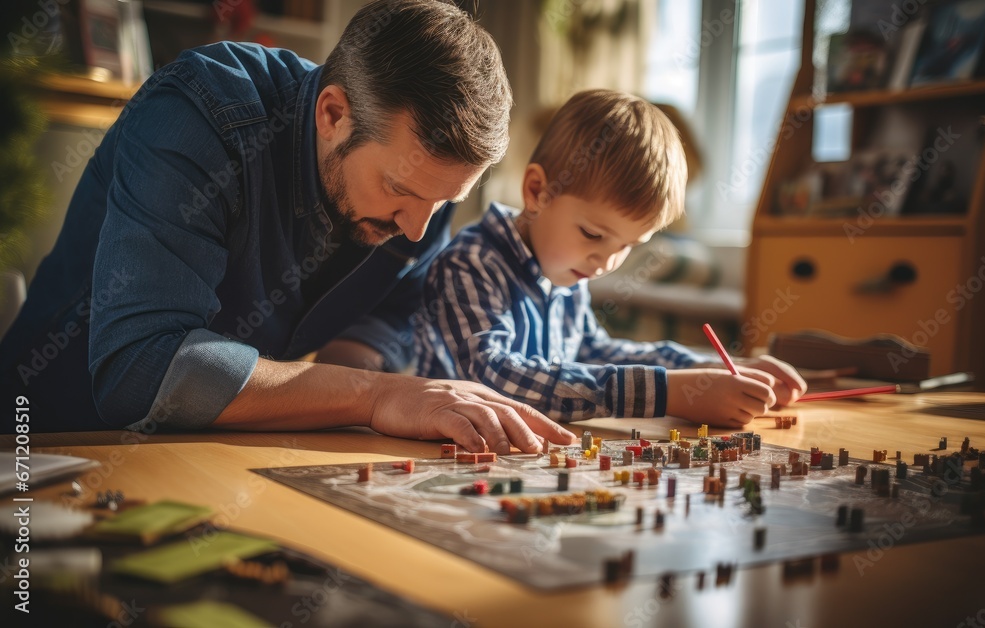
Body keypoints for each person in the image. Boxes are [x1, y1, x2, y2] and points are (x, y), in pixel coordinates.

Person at [0, 0, 574, 453]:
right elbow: (138, 369)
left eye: (445, 200)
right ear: (332, 114)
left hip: (213, 457)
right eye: (400, 192)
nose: (418, 229)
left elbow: (395, 305)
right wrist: (374, 397)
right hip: (45, 449)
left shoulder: (422, 184)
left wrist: (359, 370)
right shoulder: (202, 114)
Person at [414, 89, 807, 427]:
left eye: (627, 245)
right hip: (446, 454)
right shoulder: (471, 263)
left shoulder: (565, 274)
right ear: (537, 191)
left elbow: (594, 350)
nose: (605, 261)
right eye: (593, 234)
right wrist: (667, 394)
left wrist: (711, 369)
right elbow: (495, 377)